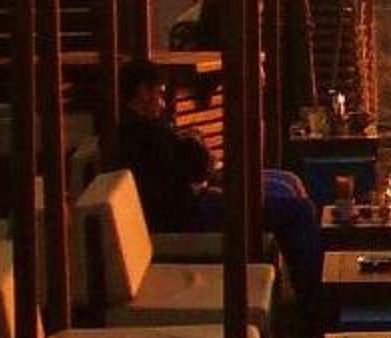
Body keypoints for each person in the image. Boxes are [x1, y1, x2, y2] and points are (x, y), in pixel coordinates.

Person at [111, 59, 325, 298]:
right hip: (190, 217)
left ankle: (305, 291)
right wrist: (199, 170)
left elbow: (178, 173)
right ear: (143, 92)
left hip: (188, 206)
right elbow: (191, 171)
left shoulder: (132, 131)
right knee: (299, 211)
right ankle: (314, 298)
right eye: (159, 94)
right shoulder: (145, 134)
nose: (162, 103)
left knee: (285, 196)